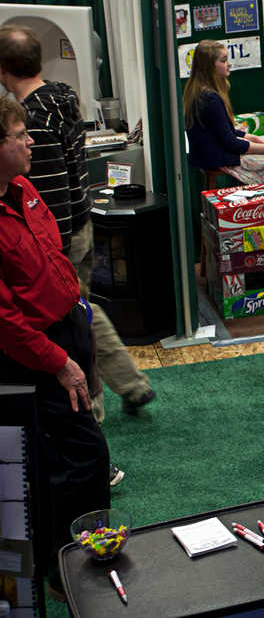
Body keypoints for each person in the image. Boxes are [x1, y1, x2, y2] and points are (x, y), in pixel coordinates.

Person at [0, 24, 156, 434]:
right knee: (86, 313)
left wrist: (55, 253)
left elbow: (45, 193)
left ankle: (93, 413)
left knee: (76, 323)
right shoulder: (60, 99)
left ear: (3, 69)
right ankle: (130, 383)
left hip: (56, 241)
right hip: (74, 228)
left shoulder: (34, 118)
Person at [0, 96, 110, 600]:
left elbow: (51, 254)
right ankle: (73, 572)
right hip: (37, 357)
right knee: (81, 458)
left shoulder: (21, 188)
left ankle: (66, 563)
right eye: (19, 135)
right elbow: (5, 321)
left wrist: (79, 309)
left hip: (67, 332)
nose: (30, 142)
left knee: (65, 462)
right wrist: (59, 362)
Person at [183, 40, 264, 189]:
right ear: (209, 67)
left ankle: (257, 204)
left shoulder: (198, 92)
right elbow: (231, 143)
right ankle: (255, 207)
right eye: (223, 61)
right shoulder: (211, 98)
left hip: (206, 156)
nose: (228, 64)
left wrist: (247, 136)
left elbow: (220, 130)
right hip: (217, 158)